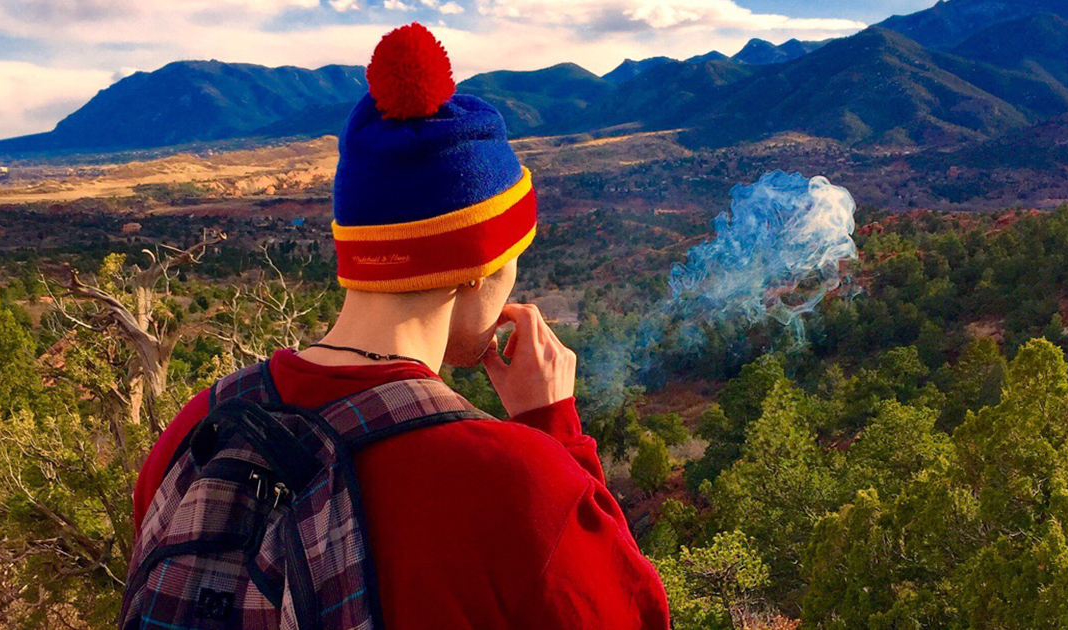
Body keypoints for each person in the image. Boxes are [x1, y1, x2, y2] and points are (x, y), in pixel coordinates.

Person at [131, 22, 671, 630]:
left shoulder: (196, 430)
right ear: (475, 266)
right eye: (514, 257)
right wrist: (555, 437)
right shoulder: (521, 485)